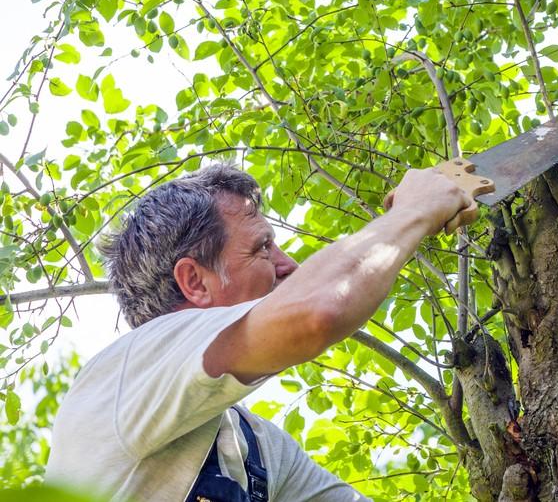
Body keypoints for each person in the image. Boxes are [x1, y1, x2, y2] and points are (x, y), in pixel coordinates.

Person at [45, 163, 477, 501]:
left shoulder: (256, 448)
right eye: (262, 248)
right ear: (194, 282)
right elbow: (316, 312)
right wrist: (416, 210)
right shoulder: (133, 365)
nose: (288, 266)